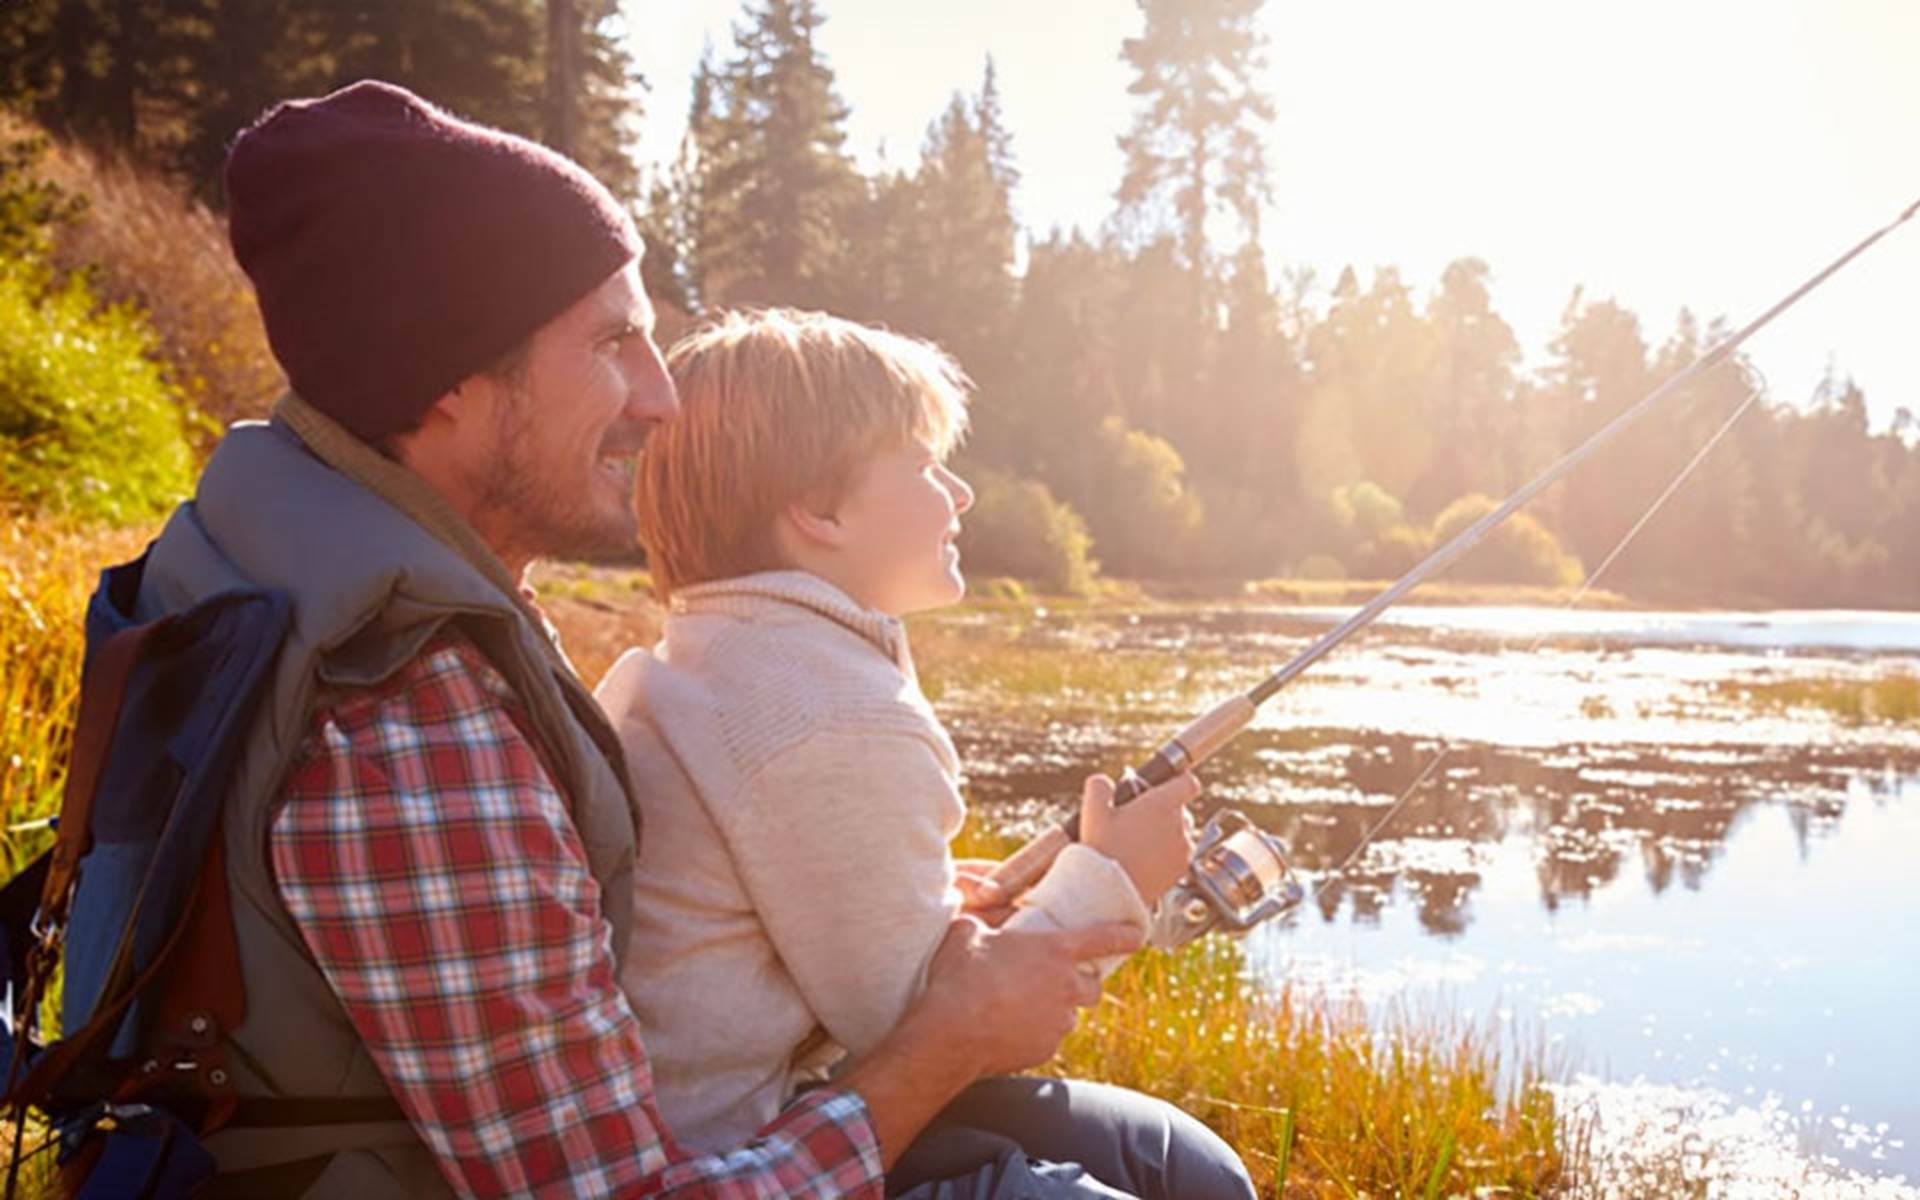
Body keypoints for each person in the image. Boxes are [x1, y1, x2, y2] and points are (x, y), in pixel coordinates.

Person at [105, 77, 1221, 1198]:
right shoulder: (404, 722)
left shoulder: (334, 575)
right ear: (445, 379)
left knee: (1159, 1157)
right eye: (611, 345)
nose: (661, 399)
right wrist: (954, 1033)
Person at [596, 309, 1253, 1199]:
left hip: (770, 1109)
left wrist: (938, 908)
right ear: (819, 510)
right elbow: (931, 1034)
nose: (961, 493)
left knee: (1180, 1163)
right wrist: (1114, 883)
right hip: (758, 1158)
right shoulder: (836, 715)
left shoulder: (710, 662)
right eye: (923, 465)